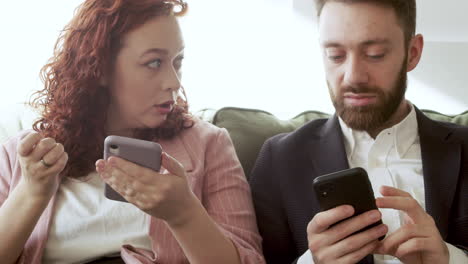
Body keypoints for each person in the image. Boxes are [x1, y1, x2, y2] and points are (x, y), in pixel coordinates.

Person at [0, 1, 265, 263]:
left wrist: (184, 214)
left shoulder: (209, 144)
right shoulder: (21, 155)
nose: (173, 82)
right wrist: (31, 192)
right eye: (153, 63)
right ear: (100, 68)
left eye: (178, 61)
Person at [249, 0, 468, 263]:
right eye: (335, 56)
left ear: (412, 53)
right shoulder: (279, 159)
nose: (353, 76)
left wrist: (451, 259)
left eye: (375, 54)